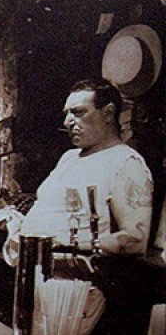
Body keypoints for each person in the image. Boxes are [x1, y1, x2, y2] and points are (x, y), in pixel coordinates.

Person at [19, 78, 153, 255]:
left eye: (78, 113)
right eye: (67, 114)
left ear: (108, 113)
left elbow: (135, 240)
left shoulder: (126, 162)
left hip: (74, 270)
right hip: (32, 265)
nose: (67, 122)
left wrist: (64, 246)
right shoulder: (69, 158)